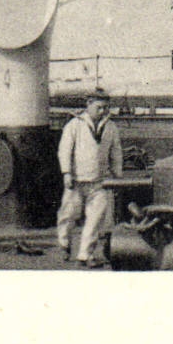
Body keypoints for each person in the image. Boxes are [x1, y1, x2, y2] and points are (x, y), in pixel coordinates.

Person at [56, 88, 123, 267]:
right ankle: (64, 243)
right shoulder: (74, 125)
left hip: (100, 182)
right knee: (68, 215)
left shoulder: (110, 127)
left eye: (106, 108)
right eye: (100, 107)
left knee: (95, 220)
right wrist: (66, 173)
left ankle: (85, 255)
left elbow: (116, 152)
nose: (103, 111)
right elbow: (65, 150)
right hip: (76, 180)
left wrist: (118, 176)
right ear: (89, 105)